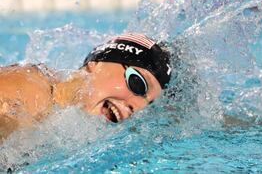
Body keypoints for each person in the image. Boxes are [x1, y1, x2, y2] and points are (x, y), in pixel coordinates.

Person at [0, 32, 172, 140]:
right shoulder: (30, 89)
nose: (137, 107)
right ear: (97, 63)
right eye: (138, 84)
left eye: (147, 105)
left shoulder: (62, 125)